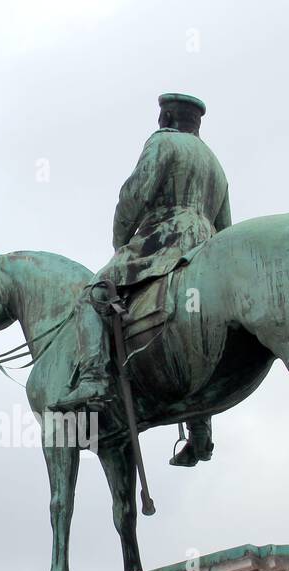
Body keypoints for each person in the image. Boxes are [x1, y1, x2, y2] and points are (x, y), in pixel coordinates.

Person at [52, 93, 231, 467]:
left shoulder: (162, 142)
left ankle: (93, 379)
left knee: (93, 294)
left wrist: (122, 240)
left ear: (165, 116)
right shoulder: (215, 164)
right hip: (205, 246)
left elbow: (134, 193)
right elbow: (225, 226)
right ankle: (201, 432)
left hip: (164, 237)